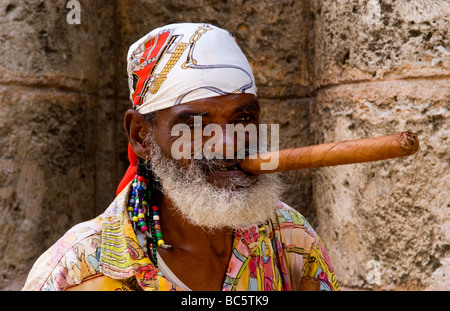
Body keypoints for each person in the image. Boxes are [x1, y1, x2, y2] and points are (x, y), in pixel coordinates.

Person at [22, 23, 339, 291]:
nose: (227, 144)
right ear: (140, 136)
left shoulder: (290, 237)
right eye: (196, 124)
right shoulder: (74, 271)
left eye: (243, 119)